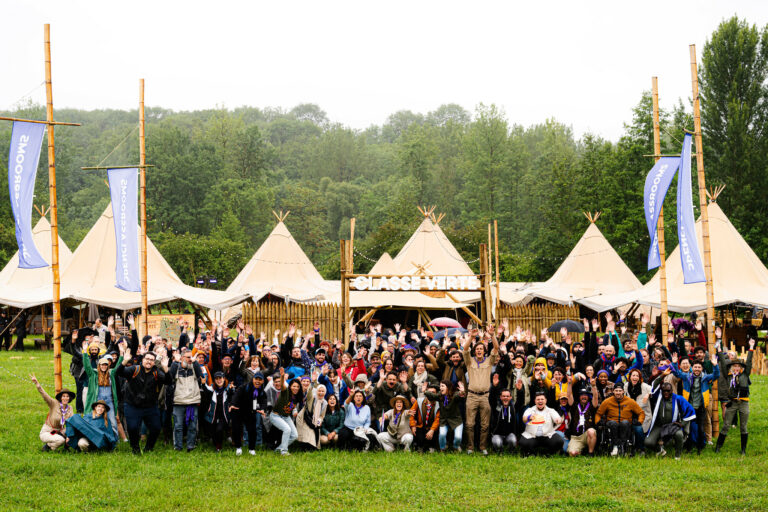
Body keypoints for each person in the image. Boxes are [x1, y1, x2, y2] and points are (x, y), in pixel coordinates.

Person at [116, 348, 169, 454]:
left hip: (150, 407)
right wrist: (124, 361)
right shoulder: (134, 369)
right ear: (142, 359)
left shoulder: (156, 372)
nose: (149, 361)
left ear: (154, 362)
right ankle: (135, 448)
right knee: (133, 428)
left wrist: (165, 368)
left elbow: (168, 381)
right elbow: (119, 372)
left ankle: (149, 448)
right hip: (132, 405)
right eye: (147, 359)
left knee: (156, 428)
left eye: (151, 360)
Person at [672, 352, 719, 453]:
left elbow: (716, 375)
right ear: (691, 368)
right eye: (695, 367)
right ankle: (689, 446)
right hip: (690, 408)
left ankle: (701, 446)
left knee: (701, 428)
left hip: (701, 407)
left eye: (699, 367)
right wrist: (675, 363)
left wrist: (715, 365)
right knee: (690, 428)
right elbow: (676, 373)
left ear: (702, 369)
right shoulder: (687, 377)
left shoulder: (705, 378)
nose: (697, 369)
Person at [462, 327, 500, 455]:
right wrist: (472, 337)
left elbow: (496, 348)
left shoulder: (489, 361)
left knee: (485, 425)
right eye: (477, 349)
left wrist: (492, 335)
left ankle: (483, 447)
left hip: (484, 396)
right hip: (471, 396)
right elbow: (465, 349)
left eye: (481, 349)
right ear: (475, 351)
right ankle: (470, 448)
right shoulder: (469, 361)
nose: (479, 350)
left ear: (484, 351)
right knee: (469, 424)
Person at [715, 339, 754, 455]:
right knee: (726, 425)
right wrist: (719, 349)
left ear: (741, 367)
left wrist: (751, 347)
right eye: (734, 366)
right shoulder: (729, 376)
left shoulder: (745, 374)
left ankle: (743, 450)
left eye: (738, 366)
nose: (736, 368)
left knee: (743, 426)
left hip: (743, 403)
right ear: (731, 367)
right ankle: (718, 447)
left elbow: (749, 362)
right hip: (732, 403)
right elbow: (722, 362)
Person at [82, 340, 124, 438]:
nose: (104, 366)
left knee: (113, 422)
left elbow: (119, 366)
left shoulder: (111, 374)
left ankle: (114, 440)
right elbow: (87, 366)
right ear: (99, 365)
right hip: (97, 402)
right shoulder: (93, 374)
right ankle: (93, 438)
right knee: (95, 420)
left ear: (108, 365)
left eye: (106, 365)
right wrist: (84, 352)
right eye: (102, 365)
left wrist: (121, 353)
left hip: (109, 402)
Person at [645, 379, 696, 460]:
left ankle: (677, 455)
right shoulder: (658, 398)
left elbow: (690, 410)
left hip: (672, 426)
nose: (666, 393)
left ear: (672, 390)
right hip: (659, 425)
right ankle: (660, 450)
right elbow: (654, 386)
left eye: (668, 391)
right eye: (664, 391)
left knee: (679, 434)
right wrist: (662, 375)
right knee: (648, 442)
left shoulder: (678, 399)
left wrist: (682, 423)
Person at [169, 348, 204, 452]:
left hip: (192, 401)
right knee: (178, 426)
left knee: (192, 426)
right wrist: (176, 361)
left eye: (191, 357)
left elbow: (200, 376)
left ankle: (190, 446)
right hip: (178, 401)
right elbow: (170, 377)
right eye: (188, 357)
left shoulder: (194, 366)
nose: (190, 359)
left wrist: (195, 361)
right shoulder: (176, 367)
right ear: (182, 357)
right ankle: (178, 447)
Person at [595, 385, 645, 456]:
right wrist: (598, 422)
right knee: (613, 423)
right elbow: (598, 413)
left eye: (620, 391)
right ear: (613, 391)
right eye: (616, 391)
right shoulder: (607, 401)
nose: (618, 393)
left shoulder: (630, 401)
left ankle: (623, 445)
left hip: (626, 424)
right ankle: (615, 445)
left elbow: (641, 413)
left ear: (623, 391)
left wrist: (639, 421)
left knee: (625, 423)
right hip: (611, 423)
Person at [30, 374, 75, 452]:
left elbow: (71, 423)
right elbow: (44, 395)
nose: (65, 398)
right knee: (60, 440)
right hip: (48, 431)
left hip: (59, 432)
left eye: (67, 396)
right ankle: (48, 446)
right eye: (63, 396)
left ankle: (64, 447)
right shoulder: (54, 403)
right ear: (61, 397)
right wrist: (37, 384)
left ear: (69, 398)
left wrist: (69, 436)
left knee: (70, 429)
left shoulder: (70, 408)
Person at [519, 391, 564, 456]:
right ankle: (530, 453)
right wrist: (529, 417)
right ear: (535, 401)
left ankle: (549, 453)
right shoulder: (530, 410)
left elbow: (558, 418)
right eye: (538, 399)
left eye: (542, 399)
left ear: (545, 401)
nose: (540, 401)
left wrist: (558, 420)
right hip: (532, 436)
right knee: (523, 442)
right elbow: (524, 419)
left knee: (559, 441)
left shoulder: (551, 410)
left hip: (547, 436)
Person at [270, 368, 301, 455]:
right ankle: (284, 451)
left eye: (297, 387)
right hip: (275, 415)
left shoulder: (296, 397)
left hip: (286, 416)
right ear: (290, 386)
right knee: (287, 429)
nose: (296, 388)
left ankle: (279, 449)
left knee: (294, 435)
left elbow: (290, 407)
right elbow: (283, 385)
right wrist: (283, 375)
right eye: (294, 386)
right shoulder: (286, 391)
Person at [565, 377, 598, 457]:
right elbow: (569, 395)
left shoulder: (591, 406)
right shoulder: (575, 405)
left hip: (587, 435)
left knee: (591, 431)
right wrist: (569, 383)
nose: (584, 397)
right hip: (576, 437)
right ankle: (580, 450)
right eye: (582, 395)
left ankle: (590, 453)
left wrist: (593, 386)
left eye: (586, 395)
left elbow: (595, 397)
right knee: (572, 453)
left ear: (588, 397)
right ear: (579, 397)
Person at [295, 375, 328, 450]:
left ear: (325, 392)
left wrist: (319, 421)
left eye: (323, 391)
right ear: (317, 391)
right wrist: (312, 382)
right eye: (319, 391)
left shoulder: (325, 403)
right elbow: (309, 392)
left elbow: (322, 416)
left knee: (314, 437)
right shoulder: (312, 398)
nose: (320, 393)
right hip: (305, 418)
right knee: (307, 436)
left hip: (315, 421)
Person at [489, 375, 518, 453]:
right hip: (497, 434)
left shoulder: (513, 407)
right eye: (503, 396)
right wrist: (494, 387)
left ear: (510, 398)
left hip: (509, 435)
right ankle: (499, 450)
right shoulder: (496, 407)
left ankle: (510, 451)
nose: (505, 398)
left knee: (513, 440)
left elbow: (521, 402)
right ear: (500, 397)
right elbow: (491, 398)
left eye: (507, 396)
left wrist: (520, 390)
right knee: (497, 443)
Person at [408, 386, 440, 452]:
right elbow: (411, 414)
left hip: (432, 428)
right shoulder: (419, 401)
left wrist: (432, 430)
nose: (431, 394)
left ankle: (431, 447)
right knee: (418, 435)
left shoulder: (438, 404)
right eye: (429, 392)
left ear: (436, 394)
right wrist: (413, 425)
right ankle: (420, 446)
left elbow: (437, 419)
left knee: (434, 435)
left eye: (433, 392)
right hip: (421, 426)